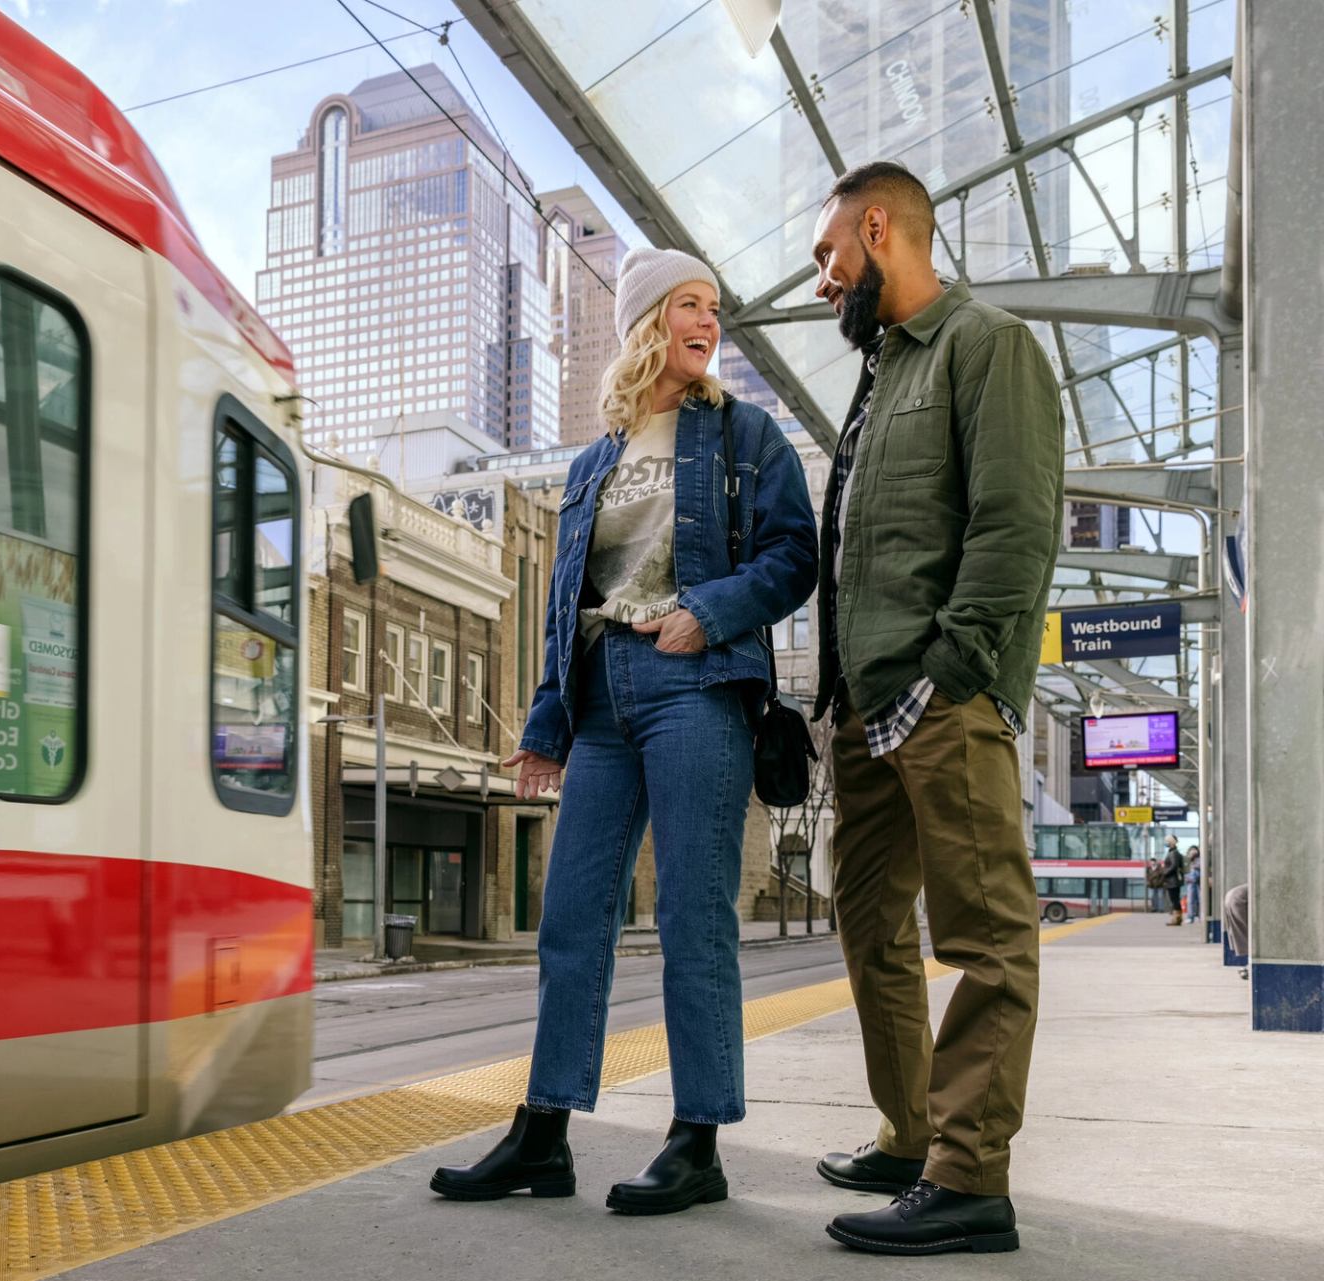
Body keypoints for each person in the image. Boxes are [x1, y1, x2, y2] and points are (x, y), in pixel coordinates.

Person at [430, 248, 817, 1214]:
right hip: (603, 699)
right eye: (688, 304)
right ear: (647, 321)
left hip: (696, 683)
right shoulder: (592, 462)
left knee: (693, 916)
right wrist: (547, 719)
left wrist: (713, 611)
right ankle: (545, 1132)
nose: (708, 320)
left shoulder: (746, 437)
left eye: (714, 307)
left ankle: (697, 1143)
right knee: (571, 921)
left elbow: (794, 557)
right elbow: (570, 603)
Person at [806, 162, 1062, 1257]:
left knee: (985, 937)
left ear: (880, 228)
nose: (824, 282)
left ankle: (969, 1179)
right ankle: (910, 1135)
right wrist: (834, 701)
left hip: (941, 703)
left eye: (830, 256)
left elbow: (1014, 526)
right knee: (868, 926)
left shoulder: (985, 346)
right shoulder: (877, 381)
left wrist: (950, 674)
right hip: (866, 713)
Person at [1158, 841, 1185, 927]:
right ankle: (1177, 917)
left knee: (1174, 900)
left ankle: (1176, 918)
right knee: (1175, 899)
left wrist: (1165, 873)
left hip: (1173, 881)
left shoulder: (1173, 853)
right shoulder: (1174, 853)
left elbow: (1174, 866)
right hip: (1173, 880)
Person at [1184, 848, 1202, 923]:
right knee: (1190, 900)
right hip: (1190, 883)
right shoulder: (1187, 861)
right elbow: (1184, 870)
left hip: (1198, 882)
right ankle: (1191, 916)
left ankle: (1197, 915)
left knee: (1199, 900)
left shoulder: (1199, 860)